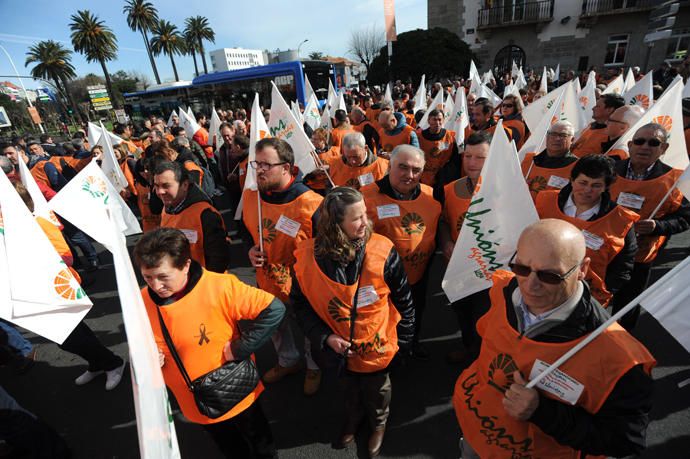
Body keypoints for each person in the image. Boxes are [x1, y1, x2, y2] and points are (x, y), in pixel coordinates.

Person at [453, 219, 655, 459]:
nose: (530, 285)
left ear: (582, 269)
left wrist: (542, 412)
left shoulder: (619, 358)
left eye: (549, 275)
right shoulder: (502, 291)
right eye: (522, 268)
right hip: (476, 437)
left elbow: (625, 441)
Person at [134, 228, 285, 458]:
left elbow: (273, 309)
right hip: (195, 400)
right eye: (148, 277)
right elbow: (141, 336)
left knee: (260, 444)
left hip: (236, 389)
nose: (155, 286)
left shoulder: (220, 286)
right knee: (229, 447)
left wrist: (240, 348)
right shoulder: (142, 299)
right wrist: (147, 353)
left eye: (163, 277)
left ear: (185, 265)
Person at [291, 187, 415, 457]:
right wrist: (324, 338)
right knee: (347, 390)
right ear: (335, 225)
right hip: (335, 352)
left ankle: (378, 424)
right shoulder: (304, 259)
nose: (366, 222)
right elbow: (300, 307)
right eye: (357, 218)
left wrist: (404, 343)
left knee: (378, 392)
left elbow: (405, 301)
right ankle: (354, 418)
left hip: (377, 349)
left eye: (365, 214)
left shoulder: (383, 250)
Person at [12, 181, 126, 391]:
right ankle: (97, 363)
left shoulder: (39, 223)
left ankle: (113, 363)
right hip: (34, 294)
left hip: (56, 289)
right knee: (64, 340)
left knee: (73, 336)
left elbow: (66, 256)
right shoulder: (9, 233)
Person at [241, 138, 324, 394]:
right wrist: (251, 249)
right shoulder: (251, 197)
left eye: (267, 164)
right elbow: (246, 231)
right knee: (277, 326)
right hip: (267, 281)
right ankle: (288, 361)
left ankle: (314, 365)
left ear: (287, 167)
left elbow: (324, 250)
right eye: (257, 164)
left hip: (304, 285)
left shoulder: (312, 203)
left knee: (310, 326)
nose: (260, 170)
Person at [608, 123, 690, 330]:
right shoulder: (609, 169)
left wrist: (658, 226)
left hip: (640, 254)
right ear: (630, 144)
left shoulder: (675, 179)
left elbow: (685, 218)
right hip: (603, 247)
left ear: (664, 149)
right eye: (639, 141)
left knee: (626, 305)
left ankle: (620, 344)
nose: (645, 147)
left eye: (654, 143)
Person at [362, 145, 439, 359]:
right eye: (403, 168)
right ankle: (388, 352)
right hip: (382, 281)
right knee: (387, 318)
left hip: (418, 275)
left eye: (416, 170)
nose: (409, 175)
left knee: (415, 312)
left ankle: (412, 344)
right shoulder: (366, 197)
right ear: (389, 166)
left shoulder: (431, 196)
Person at [535, 155, 638, 308]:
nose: (587, 190)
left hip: (584, 297)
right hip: (537, 285)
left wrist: (606, 290)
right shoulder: (543, 201)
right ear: (572, 180)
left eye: (596, 185)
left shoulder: (621, 220)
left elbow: (623, 265)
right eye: (582, 183)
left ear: (605, 187)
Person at [437, 132, 492, 365]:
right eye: (468, 156)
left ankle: (485, 359)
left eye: (479, 157)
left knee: (486, 318)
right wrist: (446, 242)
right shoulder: (451, 189)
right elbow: (444, 222)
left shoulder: (505, 192)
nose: (471, 162)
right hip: (460, 268)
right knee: (463, 312)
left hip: (491, 270)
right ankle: (470, 350)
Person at [153, 160, 230, 273]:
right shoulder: (167, 208)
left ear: (184, 185)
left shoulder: (205, 214)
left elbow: (219, 260)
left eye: (166, 186)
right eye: (156, 186)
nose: (160, 192)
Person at [521, 120, 579, 200]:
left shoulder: (578, 167)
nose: (557, 138)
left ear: (572, 140)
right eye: (553, 134)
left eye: (563, 135)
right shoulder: (528, 159)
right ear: (547, 137)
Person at [323, 132, 389, 190]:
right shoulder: (334, 164)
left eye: (356, 156)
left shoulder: (383, 166)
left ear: (365, 148)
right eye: (348, 157)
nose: (352, 161)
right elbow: (328, 187)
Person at [416, 108, 458, 187]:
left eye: (440, 120)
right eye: (434, 120)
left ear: (443, 121)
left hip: (441, 176)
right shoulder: (419, 137)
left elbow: (454, 158)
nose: (437, 123)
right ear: (429, 121)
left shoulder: (449, 137)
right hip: (421, 176)